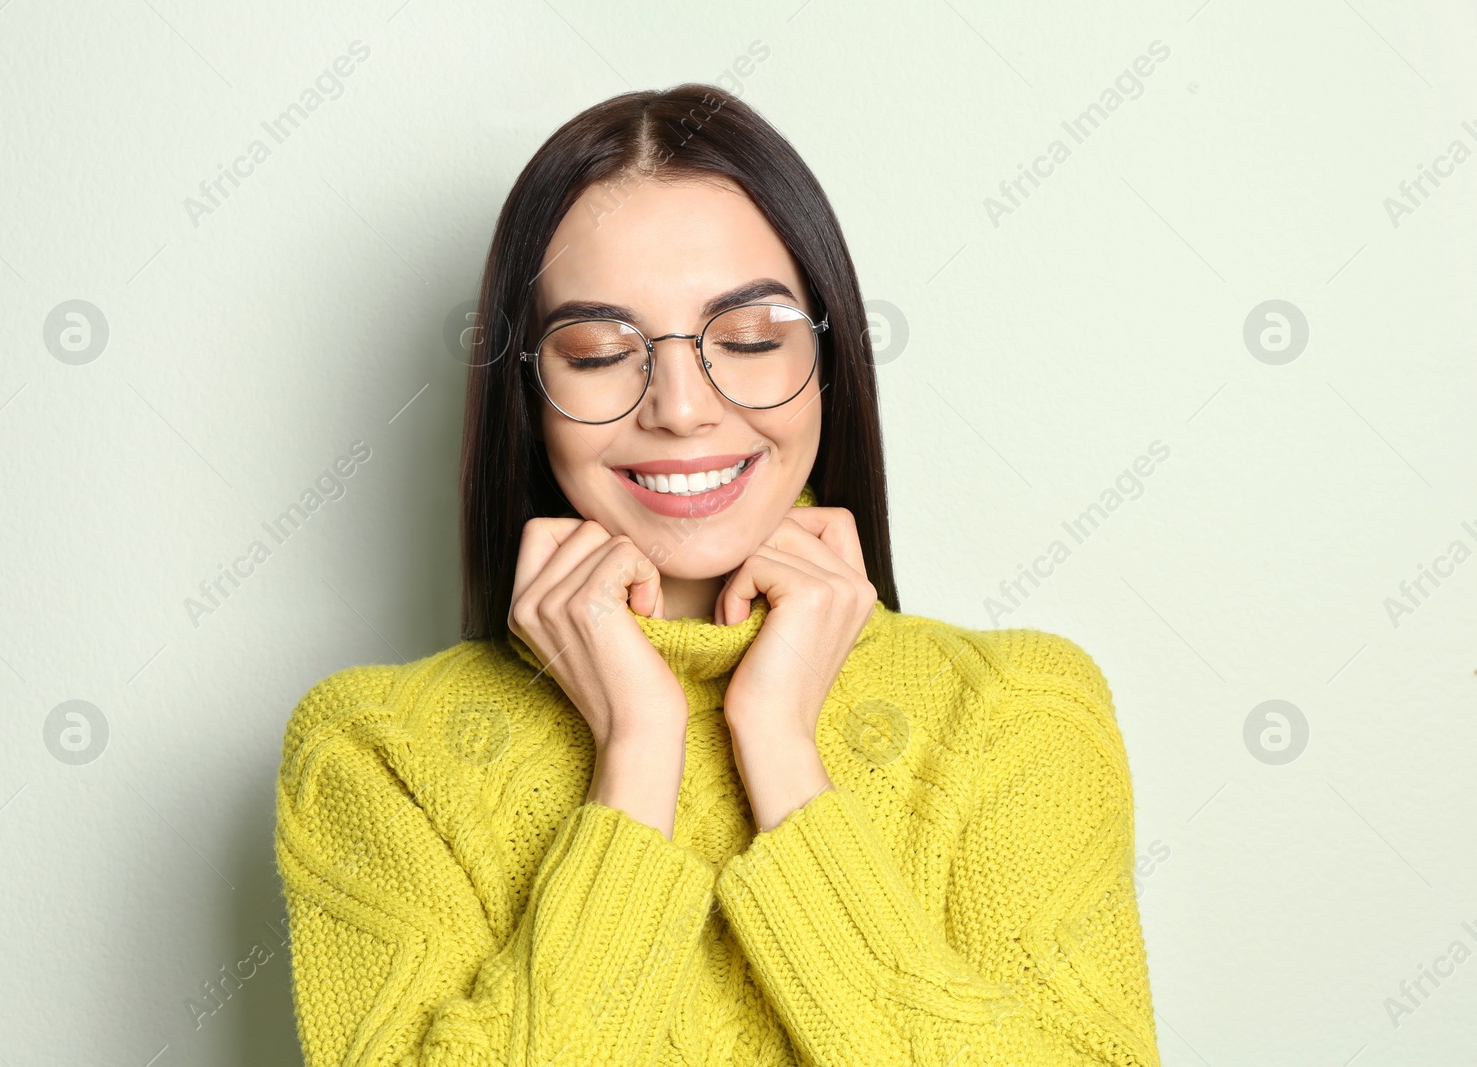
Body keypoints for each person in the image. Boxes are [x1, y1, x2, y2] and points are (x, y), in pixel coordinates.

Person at [274, 82, 1162, 1066]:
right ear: (527, 393)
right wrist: (636, 751)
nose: (683, 408)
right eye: (601, 352)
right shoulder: (379, 754)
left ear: (830, 362)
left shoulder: (1014, 714)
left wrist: (779, 746)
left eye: (748, 340)